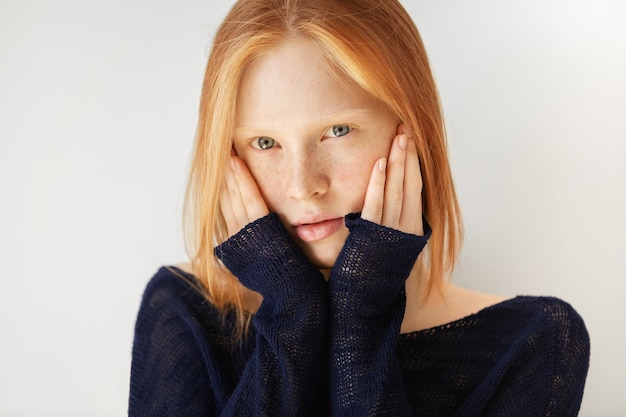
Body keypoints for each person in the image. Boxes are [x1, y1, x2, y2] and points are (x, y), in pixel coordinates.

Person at [129, 0, 590, 415]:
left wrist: (363, 315)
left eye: (338, 131)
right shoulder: (185, 311)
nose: (302, 186)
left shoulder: (532, 342)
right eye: (265, 143)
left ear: (413, 134)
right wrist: (293, 316)